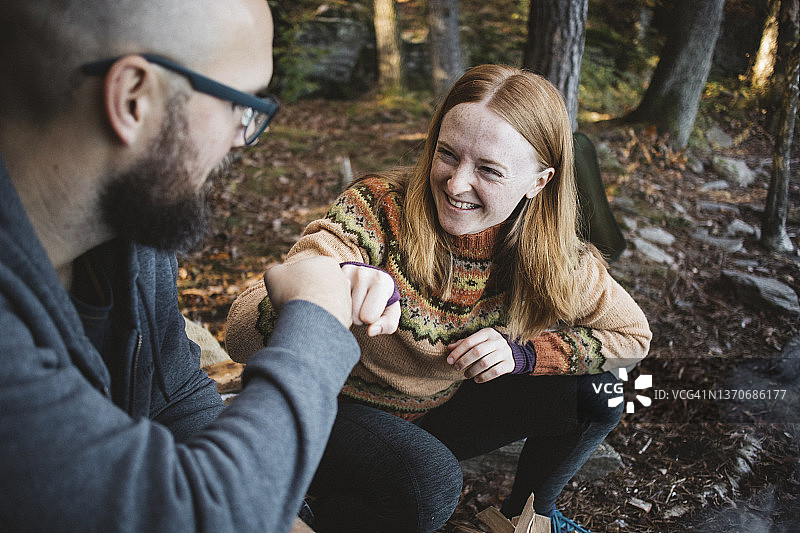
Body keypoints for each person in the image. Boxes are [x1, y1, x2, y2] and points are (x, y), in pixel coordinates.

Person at [0, 1, 399, 531]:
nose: (244, 138)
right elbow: (198, 516)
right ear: (134, 99)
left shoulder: (132, 230)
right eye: (240, 105)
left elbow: (174, 394)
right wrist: (318, 316)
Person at [226, 65, 652, 533]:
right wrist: (332, 283)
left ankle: (529, 516)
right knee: (428, 484)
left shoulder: (553, 256)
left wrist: (525, 355)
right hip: (333, 409)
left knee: (602, 391)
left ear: (539, 181)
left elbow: (633, 337)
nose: (455, 184)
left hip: (434, 407)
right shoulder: (379, 209)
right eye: (447, 155)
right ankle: (308, 514)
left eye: (488, 170)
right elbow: (240, 334)